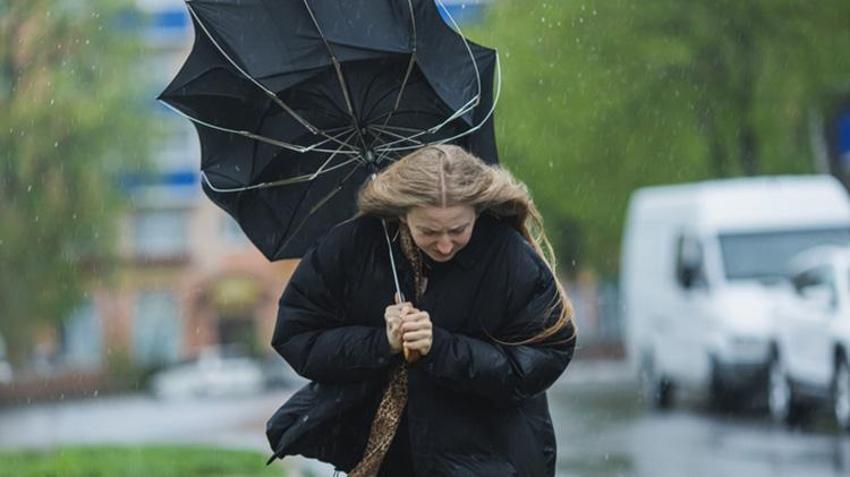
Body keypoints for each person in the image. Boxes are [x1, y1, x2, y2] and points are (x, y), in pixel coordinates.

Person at [266, 145, 577, 476]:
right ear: (402, 213)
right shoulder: (351, 247)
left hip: (489, 462)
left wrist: (441, 348)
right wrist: (381, 343)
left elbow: (542, 357)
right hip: (386, 462)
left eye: (459, 230)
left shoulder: (508, 257)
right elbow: (297, 335)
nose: (444, 244)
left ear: (477, 210)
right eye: (428, 231)